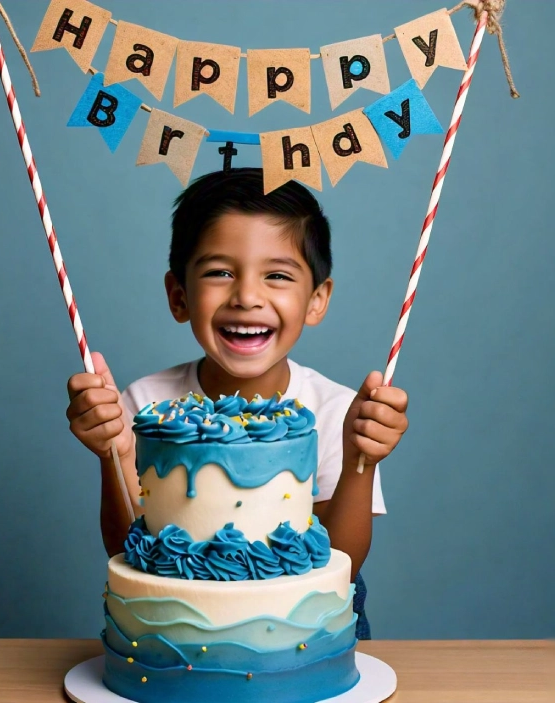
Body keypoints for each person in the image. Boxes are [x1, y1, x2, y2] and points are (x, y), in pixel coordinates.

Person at [65, 167, 409, 639]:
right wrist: (116, 452)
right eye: (220, 272)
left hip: (306, 631)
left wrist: (361, 460)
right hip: (175, 629)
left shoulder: (337, 411)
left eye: (277, 275)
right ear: (179, 295)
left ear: (316, 299)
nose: (247, 297)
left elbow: (341, 565)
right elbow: (130, 551)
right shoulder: (145, 405)